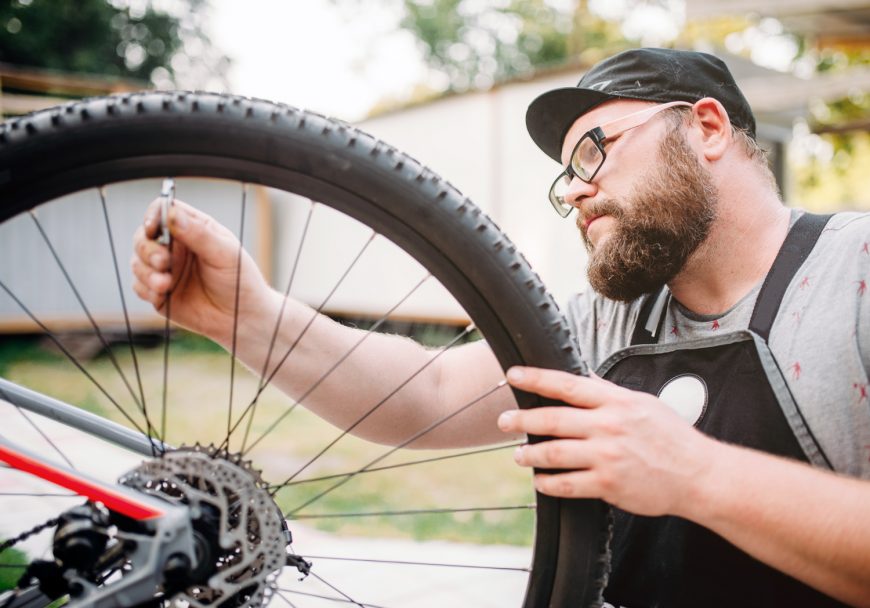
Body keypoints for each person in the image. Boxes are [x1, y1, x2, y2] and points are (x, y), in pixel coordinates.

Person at [131, 47, 870, 606]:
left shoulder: (855, 271)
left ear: (706, 127)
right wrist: (247, 313)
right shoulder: (614, 321)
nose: (575, 189)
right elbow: (426, 395)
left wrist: (694, 472)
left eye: (594, 150)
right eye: (564, 175)